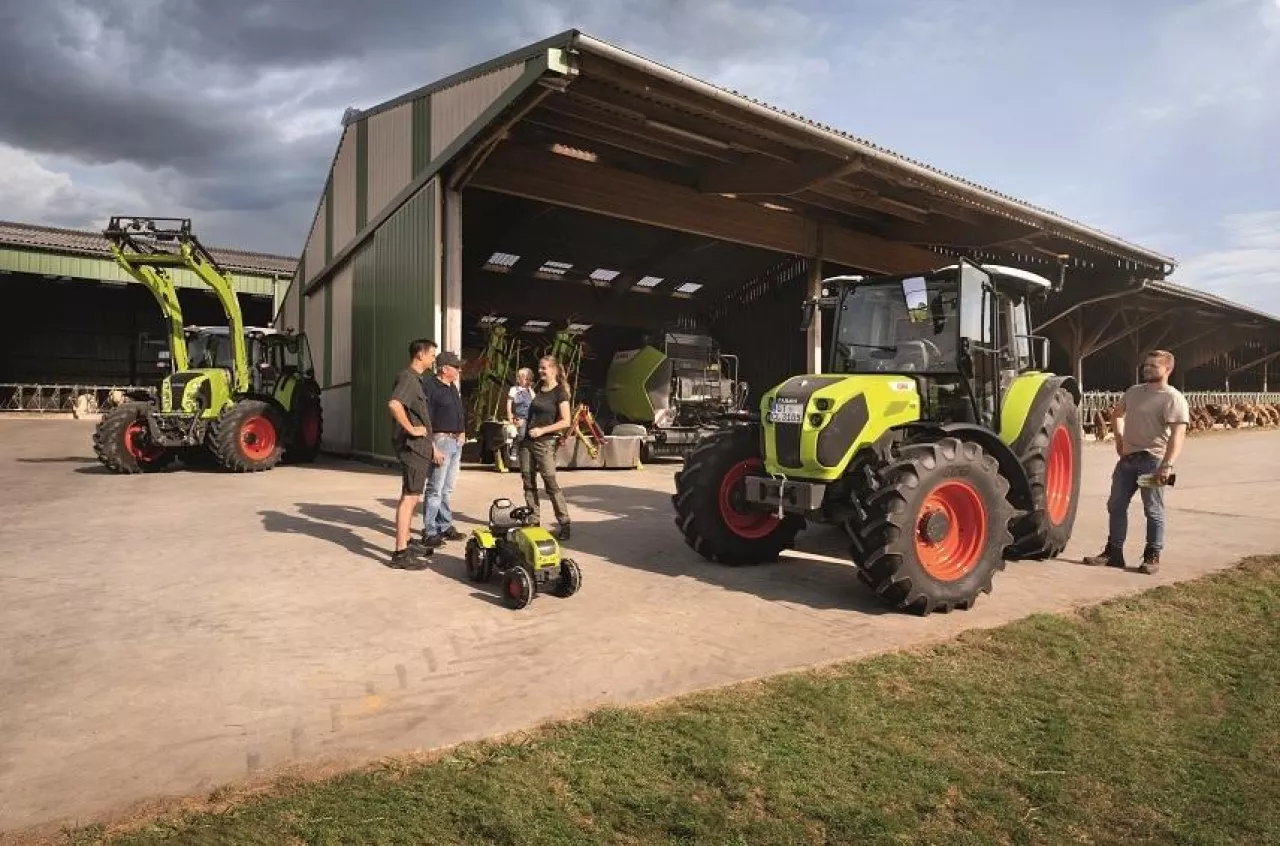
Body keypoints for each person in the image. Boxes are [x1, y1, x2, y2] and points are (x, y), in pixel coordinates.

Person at [1084, 349, 1189, 574]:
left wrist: (1167, 465)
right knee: (1115, 505)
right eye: (1146, 365)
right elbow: (1117, 414)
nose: (1147, 369)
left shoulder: (1173, 398)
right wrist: (1119, 439)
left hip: (1153, 462)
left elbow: (1178, 435)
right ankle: (1114, 553)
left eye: (1153, 366)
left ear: (1168, 369)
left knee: (1153, 509)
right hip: (1127, 462)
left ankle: (1152, 555)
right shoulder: (1133, 392)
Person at [386, 339, 443, 568]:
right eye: (431, 355)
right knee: (410, 498)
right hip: (412, 447)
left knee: (410, 496)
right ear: (420, 354)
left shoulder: (416, 380)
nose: (433, 359)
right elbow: (394, 404)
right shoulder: (408, 378)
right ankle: (400, 553)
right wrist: (411, 429)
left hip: (420, 447)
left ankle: (407, 541)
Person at [519, 355, 573, 540]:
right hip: (527, 442)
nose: (540, 371)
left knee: (550, 483)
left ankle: (564, 523)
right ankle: (533, 520)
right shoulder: (537, 389)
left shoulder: (560, 392)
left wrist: (542, 430)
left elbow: (566, 421)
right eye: (539, 368)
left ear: (554, 370)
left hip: (545, 443)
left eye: (544, 368)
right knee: (528, 482)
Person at [421, 351, 468, 548]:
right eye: (455, 366)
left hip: (456, 442)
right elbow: (426, 419)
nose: (459, 369)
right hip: (440, 441)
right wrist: (432, 447)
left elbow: (458, 410)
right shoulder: (430, 387)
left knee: (447, 489)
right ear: (444, 368)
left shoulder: (452, 388)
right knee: (435, 489)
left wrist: (463, 431)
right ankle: (430, 530)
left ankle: (444, 524)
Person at [504, 367, 534, 461]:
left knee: (530, 435)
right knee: (521, 434)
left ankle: (526, 452)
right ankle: (515, 447)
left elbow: (534, 400)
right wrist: (510, 415)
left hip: (530, 416)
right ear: (519, 379)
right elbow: (509, 403)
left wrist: (529, 388)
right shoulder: (514, 390)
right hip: (520, 416)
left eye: (529, 379)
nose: (527, 380)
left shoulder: (530, 390)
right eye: (525, 378)